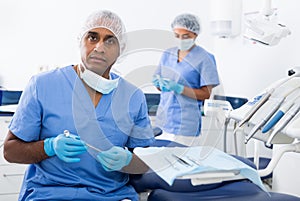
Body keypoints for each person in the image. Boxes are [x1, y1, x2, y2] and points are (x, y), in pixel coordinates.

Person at [3, 10, 154, 201]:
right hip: (49, 194)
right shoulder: (42, 86)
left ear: (120, 49)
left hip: (110, 195)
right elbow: (10, 151)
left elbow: (145, 161)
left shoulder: (133, 97)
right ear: (80, 41)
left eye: (110, 40)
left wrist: (129, 161)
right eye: (92, 37)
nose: (99, 47)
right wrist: (48, 147)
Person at [152, 13, 220, 145]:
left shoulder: (205, 58)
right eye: (177, 36)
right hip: (163, 120)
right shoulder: (168, 54)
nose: (181, 39)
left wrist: (179, 88)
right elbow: (159, 85)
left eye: (186, 36)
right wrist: (159, 83)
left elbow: (205, 94)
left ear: (195, 35)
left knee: (180, 162)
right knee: (160, 161)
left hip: (185, 125)